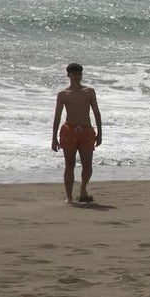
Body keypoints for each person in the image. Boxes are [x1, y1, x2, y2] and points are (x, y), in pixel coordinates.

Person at [51, 63, 103, 204]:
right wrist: (54, 138)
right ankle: (69, 196)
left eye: (79, 73)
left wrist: (100, 132)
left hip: (86, 130)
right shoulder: (63, 94)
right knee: (70, 164)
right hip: (69, 130)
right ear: (68, 75)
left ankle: (83, 189)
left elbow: (96, 112)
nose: (76, 75)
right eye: (74, 73)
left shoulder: (89, 91)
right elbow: (57, 116)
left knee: (87, 165)